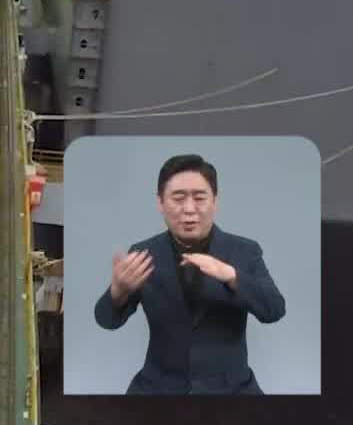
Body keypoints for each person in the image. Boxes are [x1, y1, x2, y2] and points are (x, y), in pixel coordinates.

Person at [93, 152, 286, 394]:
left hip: (232, 389)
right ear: (160, 203)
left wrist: (231, 275)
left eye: (199, 197)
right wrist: (118, 291)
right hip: (158, 389)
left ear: (215, 201)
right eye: (178, 198)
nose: (189, 209)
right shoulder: (144, 253)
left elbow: (274, 310)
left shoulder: (244, 251)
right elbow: (105, 320)